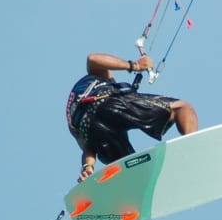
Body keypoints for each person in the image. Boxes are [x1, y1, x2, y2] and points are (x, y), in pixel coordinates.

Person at [66, 53, 199, 182]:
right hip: (107, 104)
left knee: (132, 167)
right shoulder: (101, 77)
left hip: (91, 132)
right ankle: (194, 148)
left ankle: (134, 192)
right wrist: (134, 65)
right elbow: (93, 58)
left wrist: (88, 167)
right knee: (182, 108)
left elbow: (89, 148)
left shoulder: (73, 112)